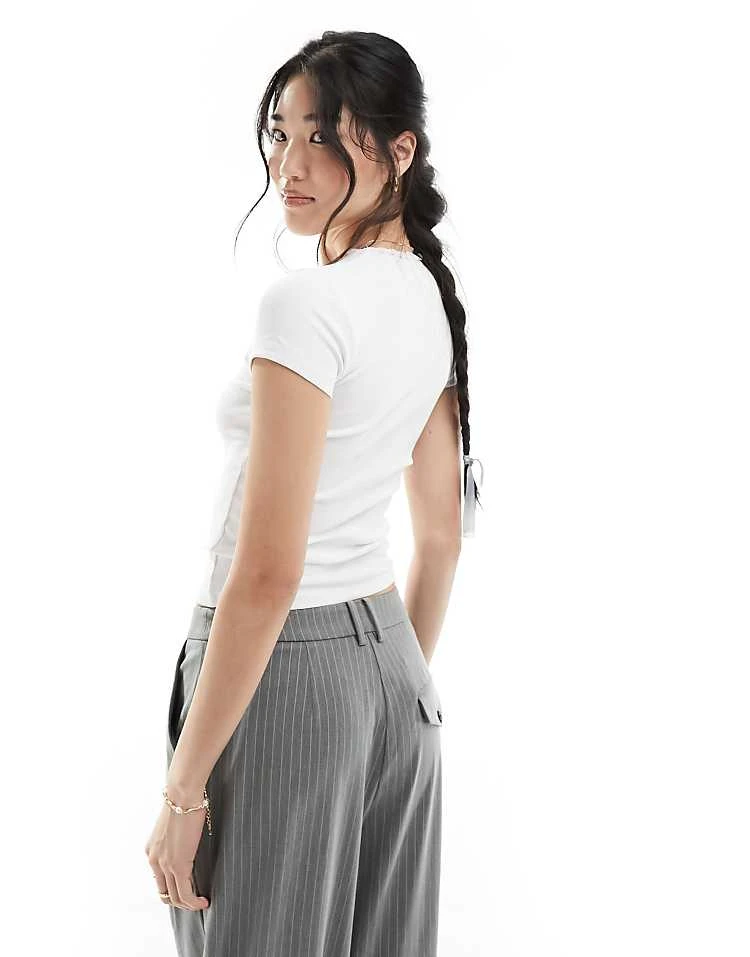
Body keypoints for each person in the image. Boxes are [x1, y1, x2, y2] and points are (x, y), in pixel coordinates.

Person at [145, 29, 483, 957]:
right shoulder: (428, 296)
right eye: (280, 133)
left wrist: (184, 791)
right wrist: (376, 697)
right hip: (396, 676)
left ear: (399, 151)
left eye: (325, 136)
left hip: (282, 668)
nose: (290, 165)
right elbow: (441, 538)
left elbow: (267, 570)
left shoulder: (304, 306)